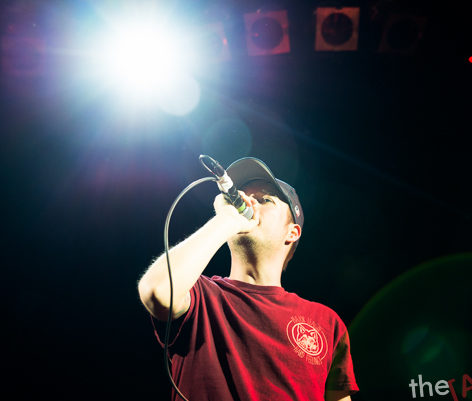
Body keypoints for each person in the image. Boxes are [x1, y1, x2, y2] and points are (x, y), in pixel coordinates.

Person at [138, 157, 359, 401]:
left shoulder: (326, 323)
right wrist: (225, 220)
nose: (247, 202)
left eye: (265, 200)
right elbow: (156, 290)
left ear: (292, 232)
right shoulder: (199, 295)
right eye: (243, 196)